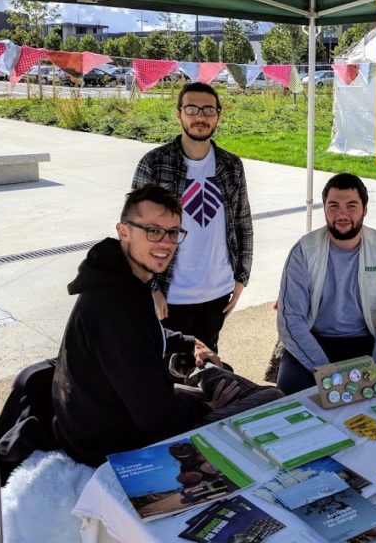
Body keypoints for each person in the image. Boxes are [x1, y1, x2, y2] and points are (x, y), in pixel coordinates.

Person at [51, 184, 281, 467]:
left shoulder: (121, 281)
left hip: (113, 415)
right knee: (271, 397)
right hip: (115, 442)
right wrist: (208, 407)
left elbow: (144, 338)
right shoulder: (115, 305)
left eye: (173, 232)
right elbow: (156, 417)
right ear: (124, 231)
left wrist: (188, 342)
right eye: (153, 231)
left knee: (218, 374)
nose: (166, 243)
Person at [132, 82, 252, 352]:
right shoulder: (154, 163)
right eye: (192, 109)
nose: (200, 117)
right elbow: (135, 233)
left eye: (209, 110)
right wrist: (151, 287)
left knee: (208, 367)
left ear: (218, 115)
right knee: (166, 369)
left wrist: (241, 277)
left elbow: (243, 224)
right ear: (179, 114)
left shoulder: (231, 165)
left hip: (217, 292)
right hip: (170, 293)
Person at [275, 173, 376, 394]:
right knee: (289, 396)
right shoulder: (303, 251)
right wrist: (327, 373)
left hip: (370, 339)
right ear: (325, 209)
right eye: (334, 206)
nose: (342, 214)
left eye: (351, 206)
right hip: (316, 340)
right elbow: (291, 320)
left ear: (365, 209)